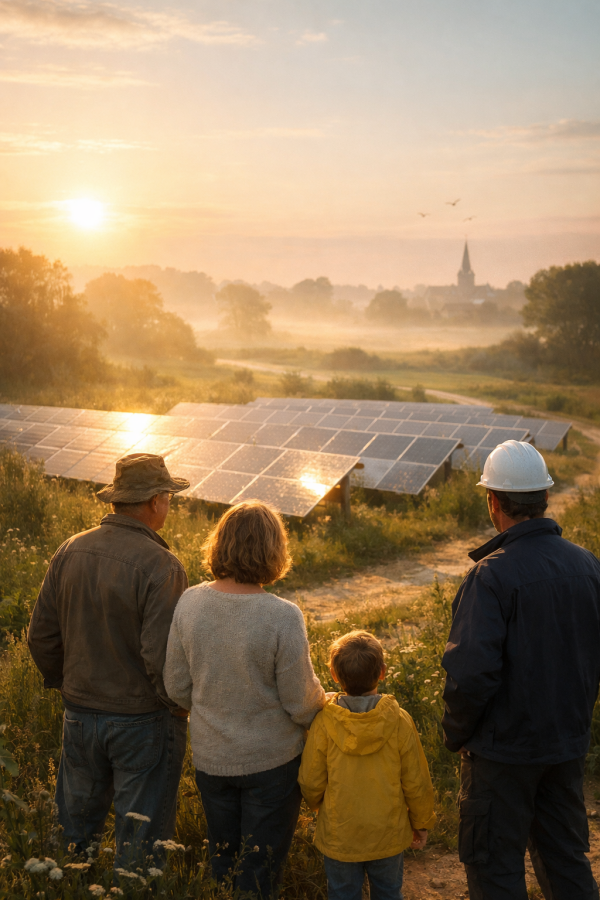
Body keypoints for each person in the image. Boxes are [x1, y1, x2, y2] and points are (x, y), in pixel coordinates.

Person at [442, 439, 600, 900]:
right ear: (545, 496)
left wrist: (456, 734)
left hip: (501, 757)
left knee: (494, 870)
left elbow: (471, 675)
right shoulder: (589, 566)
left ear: (493, 501)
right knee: (567, 862)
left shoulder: (489, 576)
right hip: (565, 748)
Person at [28, 453, 190, 865]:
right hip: (143, 722)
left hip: (79, 716)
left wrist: (70, 686)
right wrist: (178, 706)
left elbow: (41, 636)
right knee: (140, 846)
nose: (169, 504)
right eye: (168, 497)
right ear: (154, 501)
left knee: (73, 838)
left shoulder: (70, 549)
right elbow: (160, 657)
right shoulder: (162, 566)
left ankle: (68, 888)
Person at [163, 500, 325, 899]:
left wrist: (213, 708)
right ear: (275, 550)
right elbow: (301, 702)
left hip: (211, 759)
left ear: (219, 544)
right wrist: (328, 702)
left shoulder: (189, 602)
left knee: (223, 862)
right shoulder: (282, 615)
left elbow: (176, 685)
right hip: (273, 763)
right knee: (259, 871)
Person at [298, 630, 436, 900]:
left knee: (342, 894)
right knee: (388, 893)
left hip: (340, 834)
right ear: (382, 672)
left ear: (334, 675)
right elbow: (417, 780)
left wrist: (318, 807)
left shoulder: (324, 722)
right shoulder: (399, 719)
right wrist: (421, 822)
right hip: (388, 835)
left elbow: (310, 779)